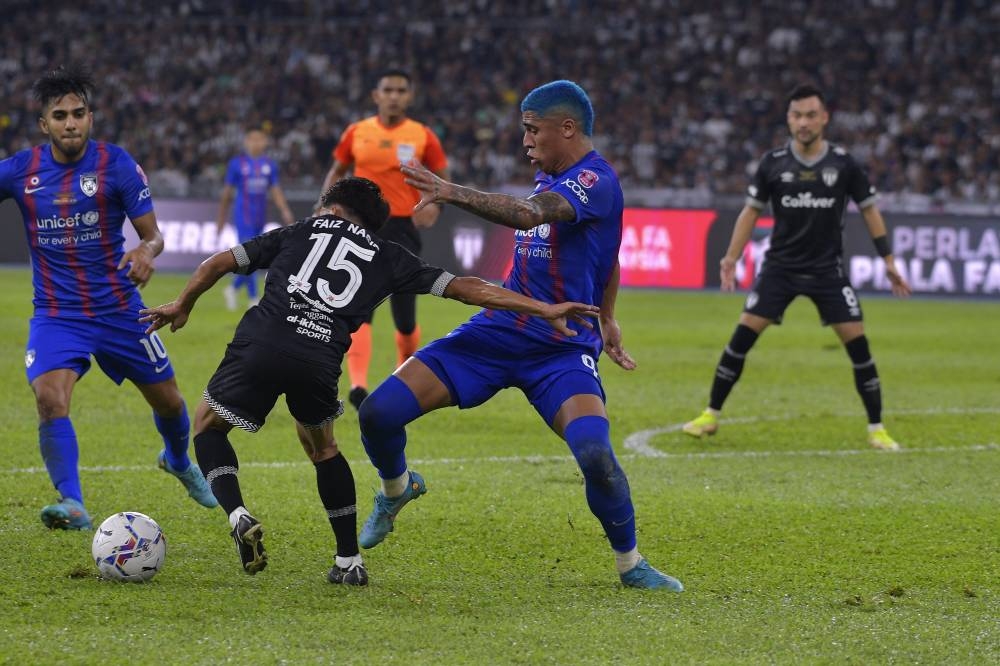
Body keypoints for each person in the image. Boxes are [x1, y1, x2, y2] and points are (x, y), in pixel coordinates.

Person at [139, 177, 598, 583]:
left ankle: (237, 513)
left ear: (334, 210)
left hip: (262, 341)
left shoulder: (300, 230)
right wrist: (541, 308)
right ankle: (348, 560)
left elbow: (221, 261)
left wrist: (183, 303)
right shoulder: (388, 255)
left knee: (207, 425)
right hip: (318, 359)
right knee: (323, 449)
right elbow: (464, 288)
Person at [357, 80, 683, 591]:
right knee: (377, 413)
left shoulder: (594, 180)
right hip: (499, 329)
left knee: (596, 455)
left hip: (559, 348)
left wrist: (451, 191)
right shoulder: (550, 175)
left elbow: (531, 216)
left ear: (567, 128)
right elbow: (608, 250)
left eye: (533, 130)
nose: (526, 142)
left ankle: (631, 564)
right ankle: (396, 488)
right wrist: (611, 314)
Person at [0, 64, 217, 530]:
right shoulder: (22, 171)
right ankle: (73, 502)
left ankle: (178, 460)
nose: (70, 123)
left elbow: (155, 236)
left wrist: (146, 250)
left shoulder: (115, 164)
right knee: (49, 399)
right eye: (60, 116)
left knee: (171, 404)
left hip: (119, 309)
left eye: (78, 113)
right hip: (57, 315)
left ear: (91, 117)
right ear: (44, 124)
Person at [682, 83, 912, 450]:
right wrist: (731, 257)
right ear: (788, 120)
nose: (803, 123)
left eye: (810, 115)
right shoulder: (773, 163)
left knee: (859, 347)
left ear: (824, 118)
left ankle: (877, 429)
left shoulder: (843, 163)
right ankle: (710, 414)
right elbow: (750, 212)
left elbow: (869, 209)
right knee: (741, 338)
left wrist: (888, 260)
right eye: (796, 115)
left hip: (827, 272)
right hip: (780, 270)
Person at [319, 69, 449, 410]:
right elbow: (336, 170)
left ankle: (400, 378)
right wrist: (325, 206)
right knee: (357, 307)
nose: (394, 95)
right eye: (388, 89)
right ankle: (358, 386)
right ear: (376, 95)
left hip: (404, 228)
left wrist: (434, 208)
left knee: (404, 314)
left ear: (409, 96)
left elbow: (442, 179)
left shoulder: (422, 135)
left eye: (400, 90)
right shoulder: (357, 132)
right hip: (362, 227)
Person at [215, 127, 295, 310]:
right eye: (252, 139)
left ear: (266, 142)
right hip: (243, 216)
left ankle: (233, 288)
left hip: (260, 217)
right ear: (246, 142)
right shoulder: (237, 164)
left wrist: (285, 210)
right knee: (248, 256)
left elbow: (275, 190)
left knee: (254, 257)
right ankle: (253, 299)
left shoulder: (269, 165)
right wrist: (221, 218)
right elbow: (227, 193)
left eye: (260, 139)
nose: (256, 143)